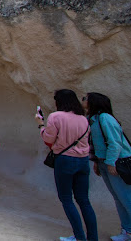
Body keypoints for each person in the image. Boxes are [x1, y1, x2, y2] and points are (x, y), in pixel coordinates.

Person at [38, 89, 97, 241]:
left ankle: (79, 237)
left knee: (66, 199)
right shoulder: (83, 118)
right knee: (84, 200)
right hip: (83, 161)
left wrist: (40, 125)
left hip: (65, 160)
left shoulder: (56, 116)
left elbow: (48, 139)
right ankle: (92, 238)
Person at [85, 92, 131, 241]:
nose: (83, 100)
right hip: (105, 163)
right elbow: (96, 143)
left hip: (117, 163)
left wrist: (111, 163)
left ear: (94, 102)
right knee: (119, 198)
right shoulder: (93, 119)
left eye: (85, 98)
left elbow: (115, 143)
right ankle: (128, 232)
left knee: (127, 199)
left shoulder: (105, 118)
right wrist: (96, 162)